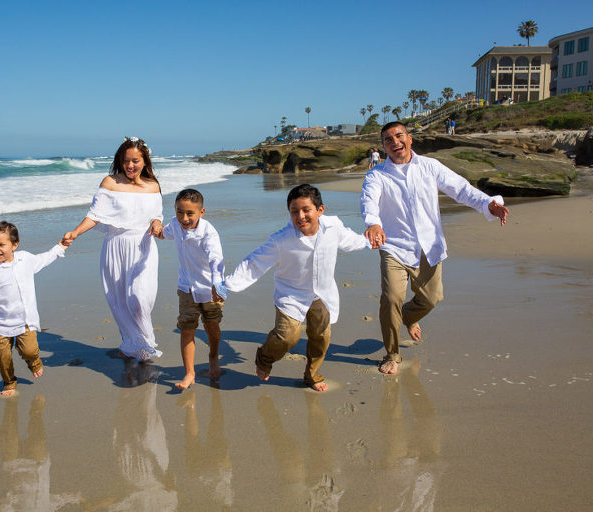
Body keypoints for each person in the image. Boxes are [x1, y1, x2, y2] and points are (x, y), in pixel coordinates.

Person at [361, 122, 509, 375]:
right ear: (383, 146)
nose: (394, 142)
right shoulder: (377, 175)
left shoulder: (430, 167)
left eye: (399, 136)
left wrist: (489, 204)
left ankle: (408, 317)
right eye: (388, 139)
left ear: (409, 139)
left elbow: (461, 189)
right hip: (394, 246)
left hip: (429, 244)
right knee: (391, 299)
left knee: (431, 298)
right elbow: (369, 200)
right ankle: (392, 354)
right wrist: (373, 223)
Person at [216, 184, 371, 391]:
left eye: (306, 210)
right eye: (294, 211)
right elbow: (254, 263)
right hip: (291, 294)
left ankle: (312, 376)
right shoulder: (281, 240)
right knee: (287, 336)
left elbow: (350, 240)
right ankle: (264, 359)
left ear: (320, 210)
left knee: (321, 337)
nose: (301, 216)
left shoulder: (333, 227)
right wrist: (226, 286)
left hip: (322, 293)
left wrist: (369, 241)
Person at [63, 137, 163, 362]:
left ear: (145, 161)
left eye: (135, 161)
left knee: (139, 298)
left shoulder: (153, 186)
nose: (130, 166)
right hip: (115, 246)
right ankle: (132, 344)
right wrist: (76, 232)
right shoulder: (110, 183)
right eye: (126, 161)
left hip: (143, 247)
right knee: (119, 301)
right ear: (120, 160)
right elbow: (95, 215)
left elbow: (156, 215)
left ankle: (144, 343)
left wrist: (156, 224)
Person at [0, 221, 66, 396]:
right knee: (1, 358)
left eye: (1, 244)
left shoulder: (25, 259)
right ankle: (9, 381)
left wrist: (59, 247)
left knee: (29, 350)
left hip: (25, 320)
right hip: (0, 323)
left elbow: (43, 259)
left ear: (15, 245)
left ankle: (34, 362)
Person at [156, 188, 225, 390]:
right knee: (187, 329)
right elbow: (163, 233)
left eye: (190, 214)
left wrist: (217, 284)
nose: (184, 218)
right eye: (179, 212)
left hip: (210, 288)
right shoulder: (175, 225)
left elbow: (216, 259)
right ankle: (189, 373)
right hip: (186, 288)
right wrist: (154, 224)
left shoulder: (208, 233)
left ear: (201, 212)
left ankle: (213, 355)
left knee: (212, 327)